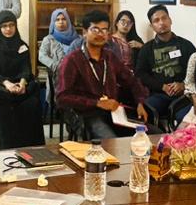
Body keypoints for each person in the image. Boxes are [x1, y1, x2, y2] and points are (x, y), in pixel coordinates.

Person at [57, 9, 149, 140]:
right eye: (95, 29)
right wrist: (96, 103)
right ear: (84, 32)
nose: (100, 34)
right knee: (110, 143)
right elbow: (62, 97)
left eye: (104, 30)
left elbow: (132, 80)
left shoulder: (110, 57)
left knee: (151, 134)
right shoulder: (72, 60)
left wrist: (140, 102)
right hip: (87, 115)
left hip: (114, 113)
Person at [0, 10, 46, 149]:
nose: (8, 29)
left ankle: (33, 147)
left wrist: (22, 83)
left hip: (18, 85)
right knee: (0, 100)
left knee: (33, 99)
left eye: (11, 25)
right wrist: (6, 83)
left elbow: (26, 68)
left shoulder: (22, 45)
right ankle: (8, 148)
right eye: (4, 26)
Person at [134, 5, 196, 125]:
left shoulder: (186, 45)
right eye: (156, 20)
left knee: (184, 118)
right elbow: (140, 74)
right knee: (145, 112)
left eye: (164, 18)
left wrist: (183, 85)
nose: (161, 23)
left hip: (184, 95)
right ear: (152, 26)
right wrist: (162, 87)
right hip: (159, 94)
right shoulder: (147, 49)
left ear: (170, 20)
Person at [39, 7, 77, 76]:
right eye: (57, 20)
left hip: (75, 74)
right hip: (56, 76)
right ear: (53, 22)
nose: (61, 22)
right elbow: (42, 56)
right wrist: (57, 66)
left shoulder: (77, 39)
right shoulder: (49, 39)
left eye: (64, 19)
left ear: (68, 21)